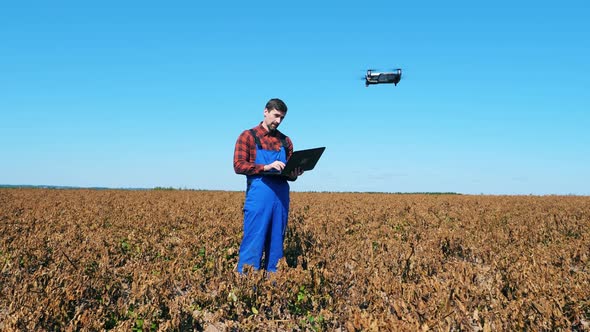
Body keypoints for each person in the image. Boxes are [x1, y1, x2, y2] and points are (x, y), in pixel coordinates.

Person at [233, 98, 303, 273]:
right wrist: (265, 167)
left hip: (280, 198)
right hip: (258, 197)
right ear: (265, 111)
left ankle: (273, 288)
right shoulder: (248, 136)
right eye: (276, 116)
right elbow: (238, 165)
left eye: (282, 118)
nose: (278, 121)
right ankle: (247, 287)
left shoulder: (285, 141)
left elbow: (288, 174)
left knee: (276, 244)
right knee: (253, 240)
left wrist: (294, 173)